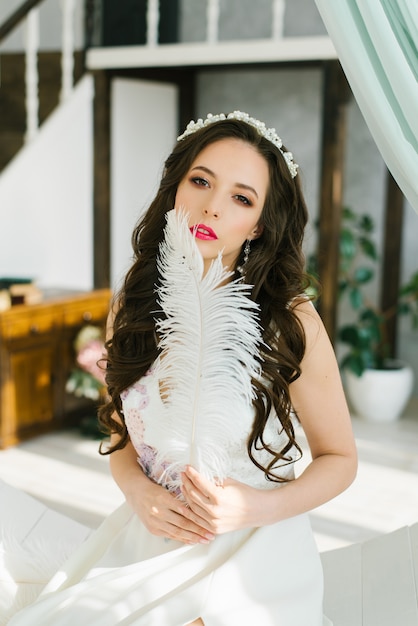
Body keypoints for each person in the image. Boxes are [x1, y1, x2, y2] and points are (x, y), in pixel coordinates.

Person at [3, 111, 357, 625]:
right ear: (176, 189)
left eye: (241, 197)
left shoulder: (290, 319)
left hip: (257, 547)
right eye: (200, 181)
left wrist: (253, 509)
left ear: (258, 224)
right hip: (152, 534)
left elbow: (340, 458)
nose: (211, 207)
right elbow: (125, 438)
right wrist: (139, 491)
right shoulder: (132, 306)